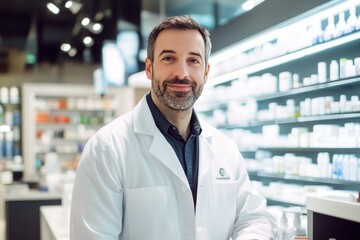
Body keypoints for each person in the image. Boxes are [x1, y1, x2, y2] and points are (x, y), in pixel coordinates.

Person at [70, 15, 277, 240]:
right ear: (149, 68)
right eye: (169, 58)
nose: (182, 73)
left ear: (206, 72)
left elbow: (255, 218)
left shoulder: (225, 149)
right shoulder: (108, 148)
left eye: (193, 60)